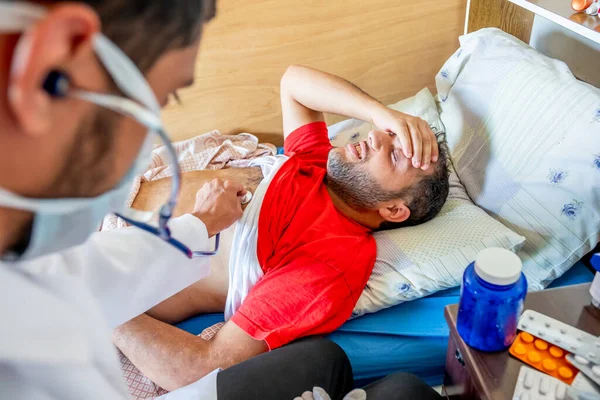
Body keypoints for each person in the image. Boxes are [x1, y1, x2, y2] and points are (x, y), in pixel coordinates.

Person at [0, 1, 368, 399]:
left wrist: (201, 225)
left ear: (395, 210)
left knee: (326, 363)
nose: (147, 140)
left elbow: (78, 273)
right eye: (162, 98)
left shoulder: (334, 255)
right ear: (48, 73)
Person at [113, 65, 450, 393]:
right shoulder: (321, 165)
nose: (374, 136)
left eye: (393, 155)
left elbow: (205, 367)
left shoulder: (331, 262)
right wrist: (381, 113)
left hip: (101, 271)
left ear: (392, 210)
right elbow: (294, 83)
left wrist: (98, 307)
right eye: (388, 134)